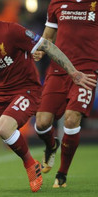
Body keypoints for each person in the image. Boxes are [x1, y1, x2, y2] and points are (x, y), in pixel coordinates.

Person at [0, 0, 96, 194]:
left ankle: (31, 166)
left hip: (26, 90)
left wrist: (73, 72)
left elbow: (47, 46)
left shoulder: (11, 31)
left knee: (4, 127)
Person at [33, 0, 98, 188]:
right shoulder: (56, 3)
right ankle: (51, 146)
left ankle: (62, 174)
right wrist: (41, 51)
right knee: (42, 123)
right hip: (58, 69)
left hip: (86, 70)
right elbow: (48, 37)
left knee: (71, 119)